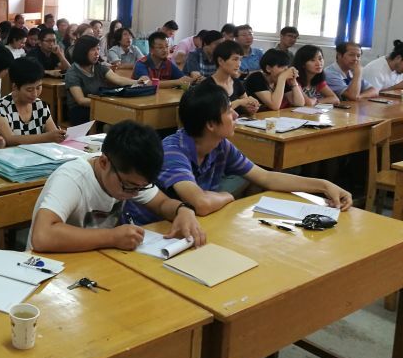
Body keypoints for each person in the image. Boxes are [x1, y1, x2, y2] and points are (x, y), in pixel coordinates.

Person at [150, 83, 351, 217]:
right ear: (210, 124)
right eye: (228, 111)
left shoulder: (220, 145)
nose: (236, 115)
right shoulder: (173, 151)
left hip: (193, 223)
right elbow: (201, 204)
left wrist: (324, 186)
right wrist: (228, 196)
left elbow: (266, 177)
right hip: (154, 230)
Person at [28, 120, 206, 252]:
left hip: (93, 258)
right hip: (49, 266)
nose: (134, 194)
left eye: (141, 188)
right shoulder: (73, 178)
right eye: (129, 186)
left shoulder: (130, 177)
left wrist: (183, 210)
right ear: (104, 162)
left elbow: (161, 204)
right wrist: (112, 237)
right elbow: (43, 236)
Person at [66, 35, 150, 125]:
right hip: (81, 111)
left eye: (98, 49)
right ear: (82, 51)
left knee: (128, 116)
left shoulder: (98, 66)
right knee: (119, 118)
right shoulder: (73, 72)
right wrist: (107, 103)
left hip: (101, 105)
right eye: (93, 50)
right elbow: (81, 100)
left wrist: (138, 82)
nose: (97, 53)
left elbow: (118, 79)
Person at [0, 57, 65, 146]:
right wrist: (47, 137)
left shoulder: (40, 105)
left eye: (38, 87)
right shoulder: (0, 107)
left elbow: (53, 133)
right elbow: (9, 139)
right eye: (29, 89)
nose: (35, 94)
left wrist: (59, 135)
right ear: (15, 87)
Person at [201, 40, 260, 116]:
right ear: (220, 61)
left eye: (240, 60)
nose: (239, 64)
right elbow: (215, 113)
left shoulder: (236, 82)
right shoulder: (207, 85)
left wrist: (251, 108)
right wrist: (238, 102)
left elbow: (245, 104)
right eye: (235, 59)